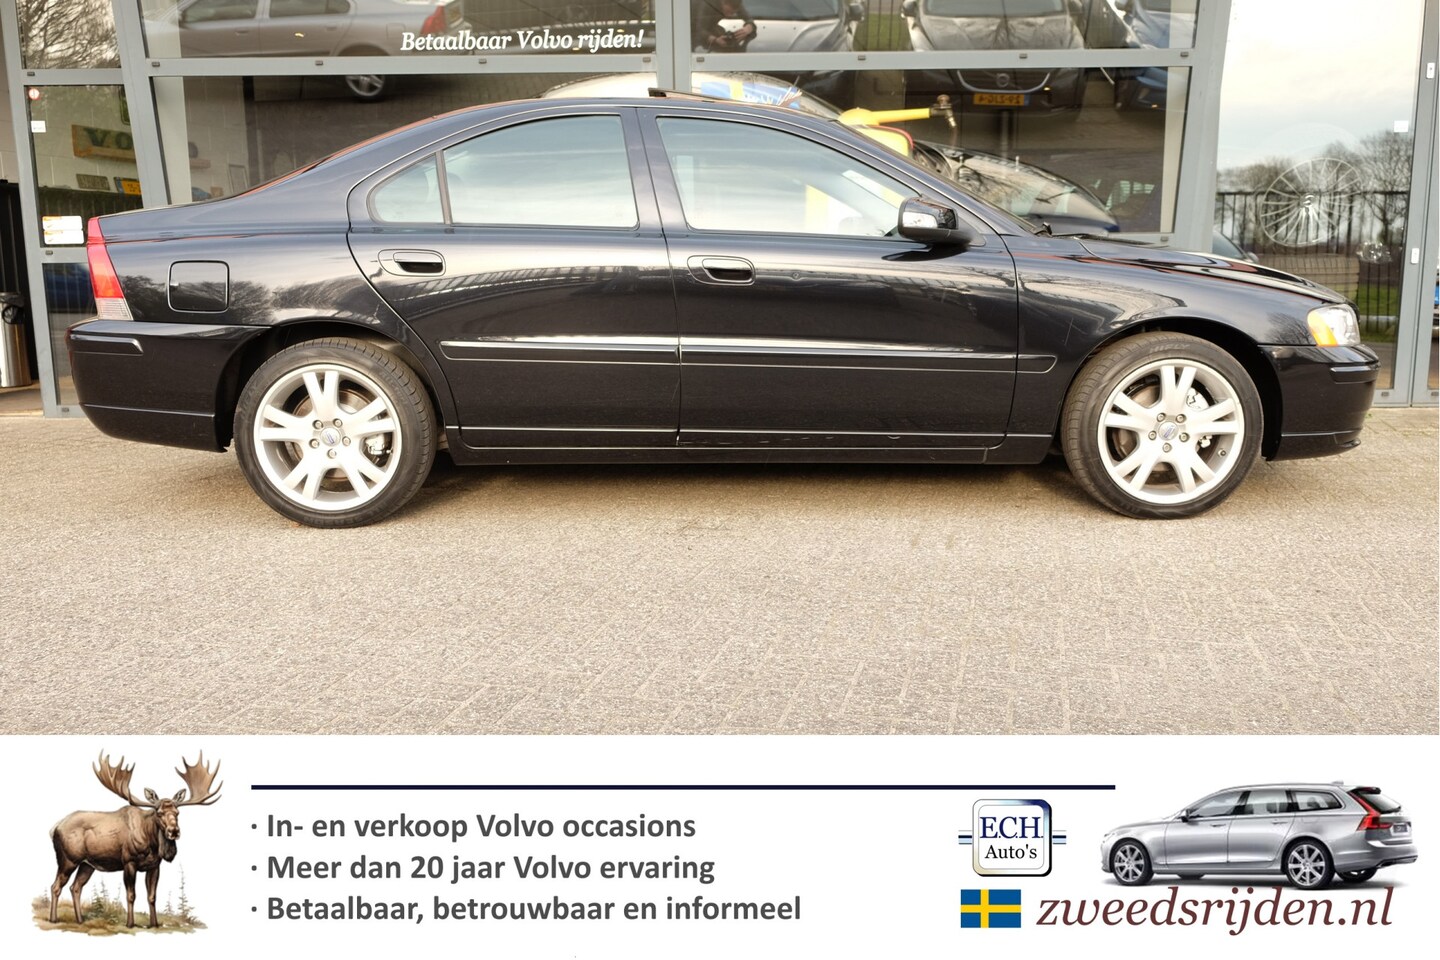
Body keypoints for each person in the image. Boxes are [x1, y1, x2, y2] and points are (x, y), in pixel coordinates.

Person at [693, 0, 757, 52]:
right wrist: (715, 40)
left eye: (733, 13)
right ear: (723, 1)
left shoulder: (735, 3)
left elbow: (749, 19)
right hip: (691, 29)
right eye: (728, 11)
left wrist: (748, 28)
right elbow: (699, 30)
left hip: (709, 27)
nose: (729, 15)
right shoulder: (708, 4)